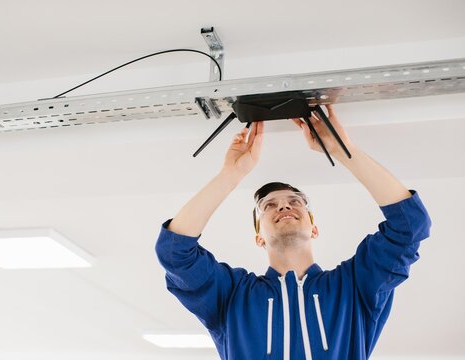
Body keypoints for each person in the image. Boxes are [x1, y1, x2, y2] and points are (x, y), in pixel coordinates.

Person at [155, 105, 431, 360]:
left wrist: (343, 149)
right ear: (259, 236)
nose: (284, 205)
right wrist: (231, 174)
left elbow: (410, 226)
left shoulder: (354, 286)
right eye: (269, 206)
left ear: (314, 227)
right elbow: (175, 252)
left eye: (295, 201)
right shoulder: (232, 296)